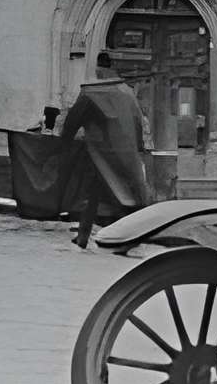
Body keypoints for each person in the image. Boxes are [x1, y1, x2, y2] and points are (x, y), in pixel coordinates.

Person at [59, 53, 152, 248]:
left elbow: (73, 121)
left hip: (100, 153)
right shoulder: (126, 91)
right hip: (126, 152)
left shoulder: (91, 93)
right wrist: (138, 147)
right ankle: (85, 235)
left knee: (114, 196)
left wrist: (64, 141)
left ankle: (126, 240)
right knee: (107, 193)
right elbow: (138, 122)